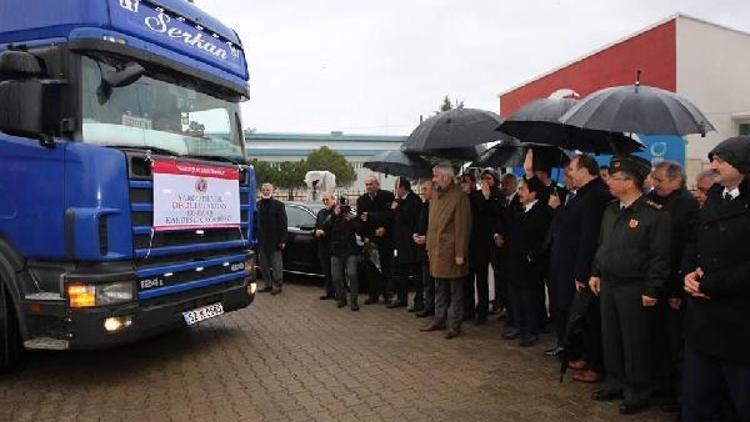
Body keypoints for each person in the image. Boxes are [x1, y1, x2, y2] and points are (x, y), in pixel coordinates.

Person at [589, 155, 671, 415]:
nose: (609, 182)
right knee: (610, 337)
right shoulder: (611, 210)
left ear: (630, 182)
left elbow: (661, 257)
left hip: (634, 288)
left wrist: (652, 289)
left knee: (635, 343)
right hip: (609, 284)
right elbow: (603, 245)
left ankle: (637, 392)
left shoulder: (654, 215)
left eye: (614, 178)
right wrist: (596, 272)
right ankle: (615, 383)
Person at [682, 136, 750, 422]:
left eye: (720, 160)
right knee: (697, 399)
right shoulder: (714, 196)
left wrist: (712, 284)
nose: (713, 165)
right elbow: (693, 241)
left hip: (740, 322)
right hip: (702, 321)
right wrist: (687, 274)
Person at [547, 154, 611, 385]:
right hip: (568, 265)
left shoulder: (596, 195)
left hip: (583, 270)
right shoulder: (582, 194)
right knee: (580, 318)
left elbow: (589, 238)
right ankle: (584, 355)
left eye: (571, 169)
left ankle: (596, 365)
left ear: (584, 170)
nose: (569, 174)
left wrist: (583, 273)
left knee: (591, 319)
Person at [647, 161, 699, 414]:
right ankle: (662, 383)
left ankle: (679, 395)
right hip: (654, 282)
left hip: (673, 286)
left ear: (677, 180)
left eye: (660, 180)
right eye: (654, 179)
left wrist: (678, 289)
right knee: (658, 340)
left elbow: (685, 249)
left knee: (674, 342)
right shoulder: (653, 199)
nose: (655, 184)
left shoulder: (686, 205)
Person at [499, 177, 552, 347]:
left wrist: (532, 255)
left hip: (531, 266)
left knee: (530, 298)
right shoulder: (520, 210)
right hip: (515, 263)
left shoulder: (542, 211)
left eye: (523, 189)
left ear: (533, 193)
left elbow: (544, 239)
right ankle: (519, 326)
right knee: (516, 297)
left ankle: (531, 330)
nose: (519, 193)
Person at [420, 165, 472, 339]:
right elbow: (431, 224)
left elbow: (463, 227)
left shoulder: (459, 197)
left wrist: (460, 253)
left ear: (446, 177)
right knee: (439, 287)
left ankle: (455, 324)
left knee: (455, 290)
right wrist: (428, 245)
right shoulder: (435, 195)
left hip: (451, 252)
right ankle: (439, 319)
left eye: (436, 176)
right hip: (436, 250)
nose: (434, 179)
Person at [468, 169, 503, 325]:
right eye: (482, 178)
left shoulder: (498, 195)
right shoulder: (475, 196)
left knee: (491, 277)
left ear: (494, 180)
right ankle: (476, 310)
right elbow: (475, 212)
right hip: (476, 242)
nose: (485, 180)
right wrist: (484, 197)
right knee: (475, 278)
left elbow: (498, 214)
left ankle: (494, 305)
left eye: (488, 178)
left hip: (492, 242)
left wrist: (489, 198)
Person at [357, 176, 395, 305]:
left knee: (386, 267)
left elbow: (391, 215)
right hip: (370, 239)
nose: (368, 187)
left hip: (385, 237)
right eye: (366, 184)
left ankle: (387, 294)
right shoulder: (362, 200)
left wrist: (384, 228)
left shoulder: (387, 196)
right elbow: (360, 220)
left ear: (377, 185)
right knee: (371, 268)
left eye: (371, 184)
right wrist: (365, 236)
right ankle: (373, 294)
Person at [323, 197, 362, 311]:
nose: (342, 209)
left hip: (350, 251)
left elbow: (360, 229)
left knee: (352, 274)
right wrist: (335, 214)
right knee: (336, 277)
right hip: (335, 251)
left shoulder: (351, 217)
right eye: (340, 206)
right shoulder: (333, 217)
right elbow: (325, 226)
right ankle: (341, 298)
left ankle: (354, 302)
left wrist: (352, 220)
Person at [390, 179, 423, 309]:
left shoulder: (414, 200)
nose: (396, 190)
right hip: (400, 243)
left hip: (412, 243)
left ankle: (419, 300)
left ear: (404, 188)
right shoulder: (400, 201)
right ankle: (401, 298)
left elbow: (408, 219)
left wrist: (397, 208)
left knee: (416, 273)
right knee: (401, 271)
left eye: (397, 187)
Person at [256, 183, 288, 295]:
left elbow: (283, 224)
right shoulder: (257, 205)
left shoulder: (279, 205)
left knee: (276, 266)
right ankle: (267, 285)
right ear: (261, 191)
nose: (265, 191)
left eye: (268, 190)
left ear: (272, 191)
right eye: (264, 189)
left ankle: (278, 286)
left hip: (275, 241)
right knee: (263, 265)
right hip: (261, 241)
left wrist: (283, 240)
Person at [459, 172, 478, 321]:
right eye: (461, 182)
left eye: (466, 181)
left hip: (478, 245)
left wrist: (469, 196)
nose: (463, 184)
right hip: (465, 245)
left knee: (481, 280)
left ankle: (482, 311)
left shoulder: (477, 196)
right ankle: (468, 309)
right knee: (466, 280)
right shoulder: (461, 198)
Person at [414, 180, 435, 318]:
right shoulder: (424, 205)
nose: (423, 192)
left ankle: (433, 307)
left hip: (433, 248)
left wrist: (427, 238)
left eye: (425, 189)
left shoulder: (436, 206)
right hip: (422, 248)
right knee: (426, 280)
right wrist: (415, 234)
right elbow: (419, 223)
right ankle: (428, 306)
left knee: (433, 281)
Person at [314, 192, 335, 300]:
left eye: (327, 199)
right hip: (322, 246)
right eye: (324, 200)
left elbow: (337, 228)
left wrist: (324, 232)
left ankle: (337, 293)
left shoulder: (337, 211)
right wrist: (317, 231)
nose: (326, 202)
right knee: (326, 271)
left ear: (333, 198)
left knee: (335, 272)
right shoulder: (321, 212)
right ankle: (329, 292)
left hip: (333, 245)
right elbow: (317, 225)